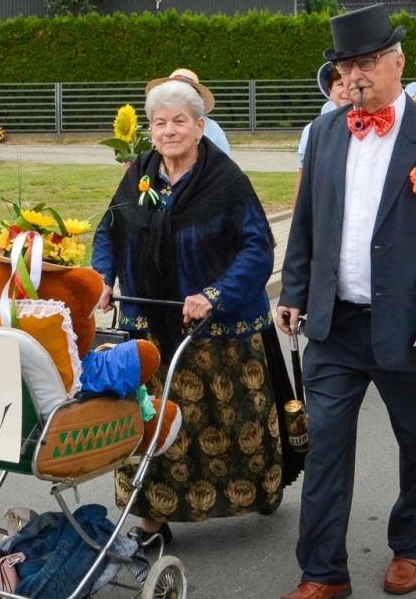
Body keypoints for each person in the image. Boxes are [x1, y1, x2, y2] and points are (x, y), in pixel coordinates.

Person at [277, 4, 416, 599]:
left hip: (414, 326)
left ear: (398, 64)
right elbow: (308, 222)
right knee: (326, 448)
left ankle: (412, 544)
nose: (356, 75)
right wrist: (293, 291)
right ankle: (322, 571)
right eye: (345, 65)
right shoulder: (324, 134)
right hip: (335, 325)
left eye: (367, 62)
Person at [93, 77, 281, 542]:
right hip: (147, 322)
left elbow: (258, 249)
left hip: (218, 328)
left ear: (200, 128)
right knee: (148, 419)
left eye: (179, 121)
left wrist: (214, 294)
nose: (168, 131)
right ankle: (152, 521)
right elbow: (108, 231)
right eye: (159, 123)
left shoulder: (227, 181)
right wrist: (102, 277)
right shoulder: (140, 171)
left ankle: (256, 492)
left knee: (231, 422)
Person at [145, 67, 232, 155]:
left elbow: (225, 162)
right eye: (161, 123)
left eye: (179, 121)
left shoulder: (213, 131)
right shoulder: (153, 131)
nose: (169, 131)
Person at [296, 61, 349, 198]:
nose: (346, 90)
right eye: (340, 84)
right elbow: (303, 178)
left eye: (350, 82)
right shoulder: (313, 130)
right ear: (330, 91)